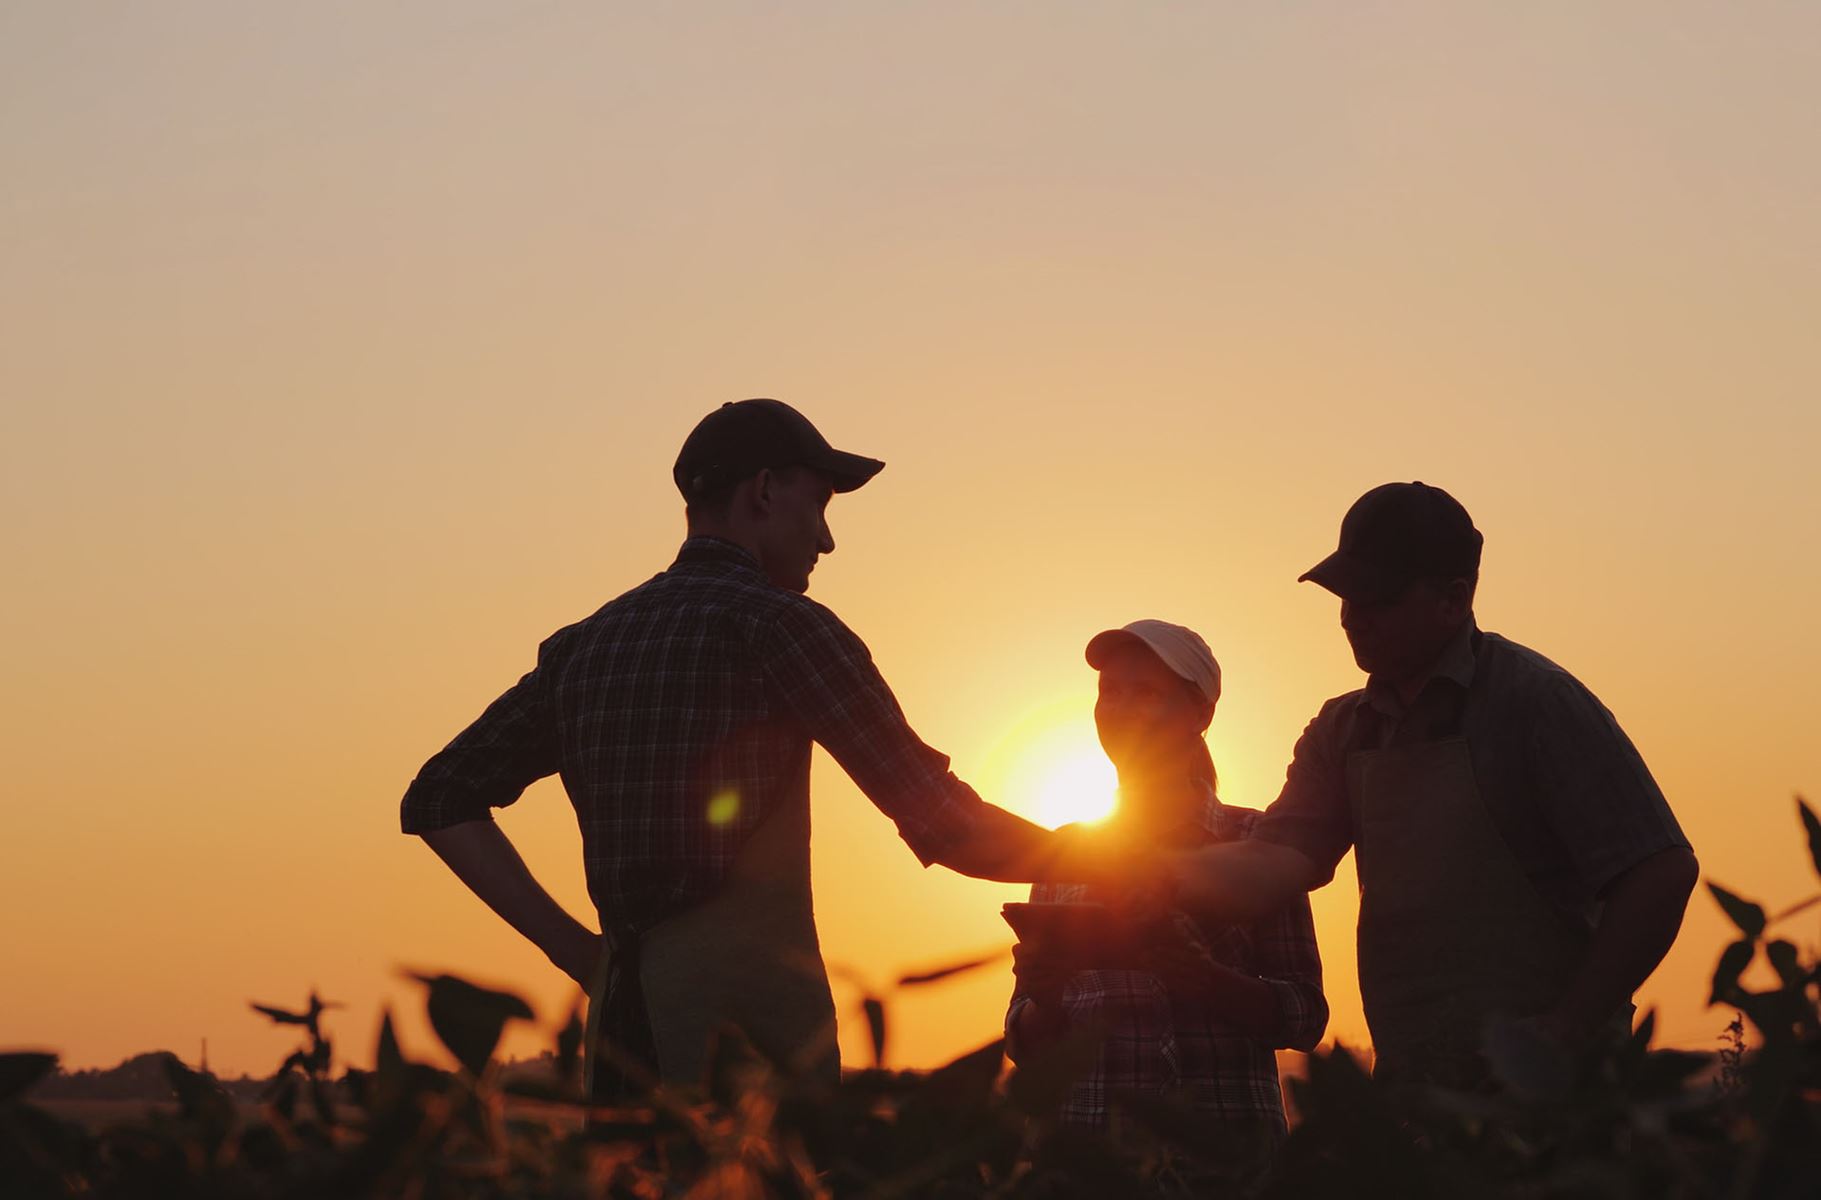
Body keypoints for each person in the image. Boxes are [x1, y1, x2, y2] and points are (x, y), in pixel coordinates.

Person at [399, 399, 1126, 1096]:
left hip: (619, 1043)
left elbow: (439, 796)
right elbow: (948, 824)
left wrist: (578, 953)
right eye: (819, 505)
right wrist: (1127, 870)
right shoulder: (781, 627)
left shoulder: (583, 648)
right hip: (750, 1061)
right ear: (765, 491)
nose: (826, 538)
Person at [1167, 483, 1698, 1087]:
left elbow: (1661, 872)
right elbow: (1273, 861)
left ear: (1456, 598)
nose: (1351, 615)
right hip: (1415, 1093)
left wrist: (1566, 1031)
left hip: (1557, 1104)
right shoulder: (1343, 731)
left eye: (1377, 596)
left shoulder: (1537, 703)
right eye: (1344, 593)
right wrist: (1137, 871)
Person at [1005, 620, 1327, 1152]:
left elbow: (1305, 1017)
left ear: (1201, 714)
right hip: (1092, 1162)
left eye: (1147, 692)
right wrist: (1045, 992)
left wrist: (1203, 978)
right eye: (1110, 691)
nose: (1121, 707)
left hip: (1228, 1162)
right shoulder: (1063, 853)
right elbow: (1024, 1039)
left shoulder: (1257, 843)